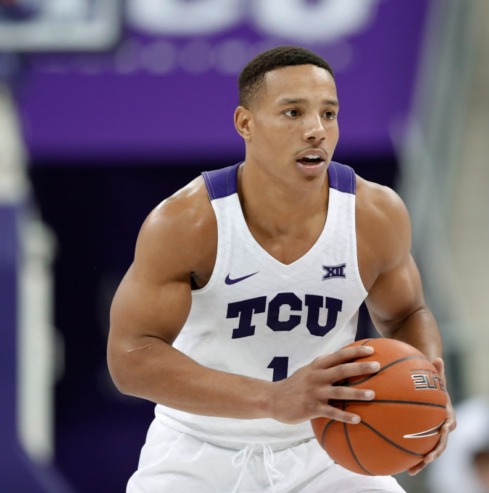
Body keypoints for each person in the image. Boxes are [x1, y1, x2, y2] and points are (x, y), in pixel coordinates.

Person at [107, 46, 454, 492]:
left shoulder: (375, 214)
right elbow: (130, 358)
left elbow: (407, 313)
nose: (316, 130)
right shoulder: (188, 223)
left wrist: (425, 391)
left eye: (328, 114)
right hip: (198, 446)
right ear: (245, 124)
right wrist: (272, 399)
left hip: (326, 446)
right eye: (293, 113)